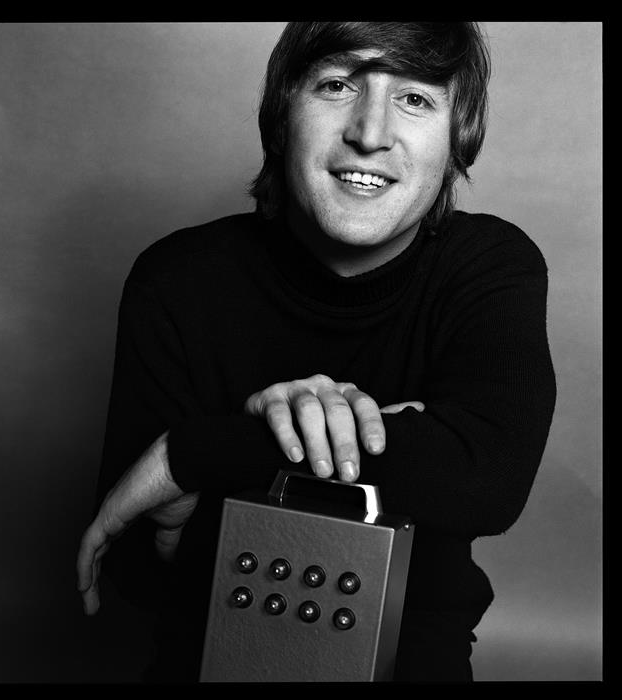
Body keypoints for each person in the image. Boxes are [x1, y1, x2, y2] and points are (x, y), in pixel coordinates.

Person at [76, 21, 556, 683]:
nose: (371, 131)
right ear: (281, 116)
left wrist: (197, 451)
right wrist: (397, 438)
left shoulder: (491, 268)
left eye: (416, 99)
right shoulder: (177, 279)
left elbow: (487, 483)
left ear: (457, 138)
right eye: (337, 85)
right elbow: (125, 558)